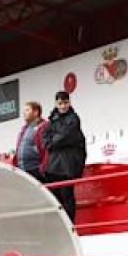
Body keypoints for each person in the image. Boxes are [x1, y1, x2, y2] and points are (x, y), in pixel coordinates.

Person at [42, 91, 86, 224]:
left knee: (67, 195)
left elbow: (66, 136)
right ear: (56, 104)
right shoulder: (51, 120)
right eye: (60, 103)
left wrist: (53, 142)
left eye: (65, 103)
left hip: (68, 165)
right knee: (54, 197)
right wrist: (54, 142)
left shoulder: (74, 118)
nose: (63, 106)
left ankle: (70, 225)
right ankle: (60, 225)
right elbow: (45, 140)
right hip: (54, 165)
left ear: (69, 102)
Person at [13, 101, 48, 181]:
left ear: (36, 112)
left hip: (36, 171)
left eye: (27, 110)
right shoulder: (24, 129)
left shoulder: (44, 126)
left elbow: (47, 150)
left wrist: (42, 169)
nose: (24, 113)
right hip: (23, 172)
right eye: (24, 110)